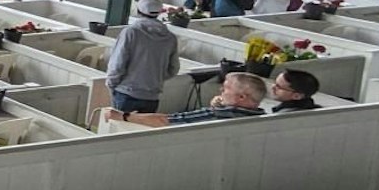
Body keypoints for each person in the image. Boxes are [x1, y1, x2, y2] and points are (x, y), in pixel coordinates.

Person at [105, 0, 180, 114]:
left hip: (126, 93)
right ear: (159, 12)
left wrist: (111, 83)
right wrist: (155, 79)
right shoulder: (170, 38)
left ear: (139, 11)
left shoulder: (131, 32)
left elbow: (117, 63)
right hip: (152, 96)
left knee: (122, 128)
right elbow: (174, 68)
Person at [112, 72, 268, 127]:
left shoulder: (216, 116)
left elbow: (164, 121)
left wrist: (123, 116)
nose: (221, 90)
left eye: (226, 88)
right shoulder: (262, 117)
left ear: (241, 97)